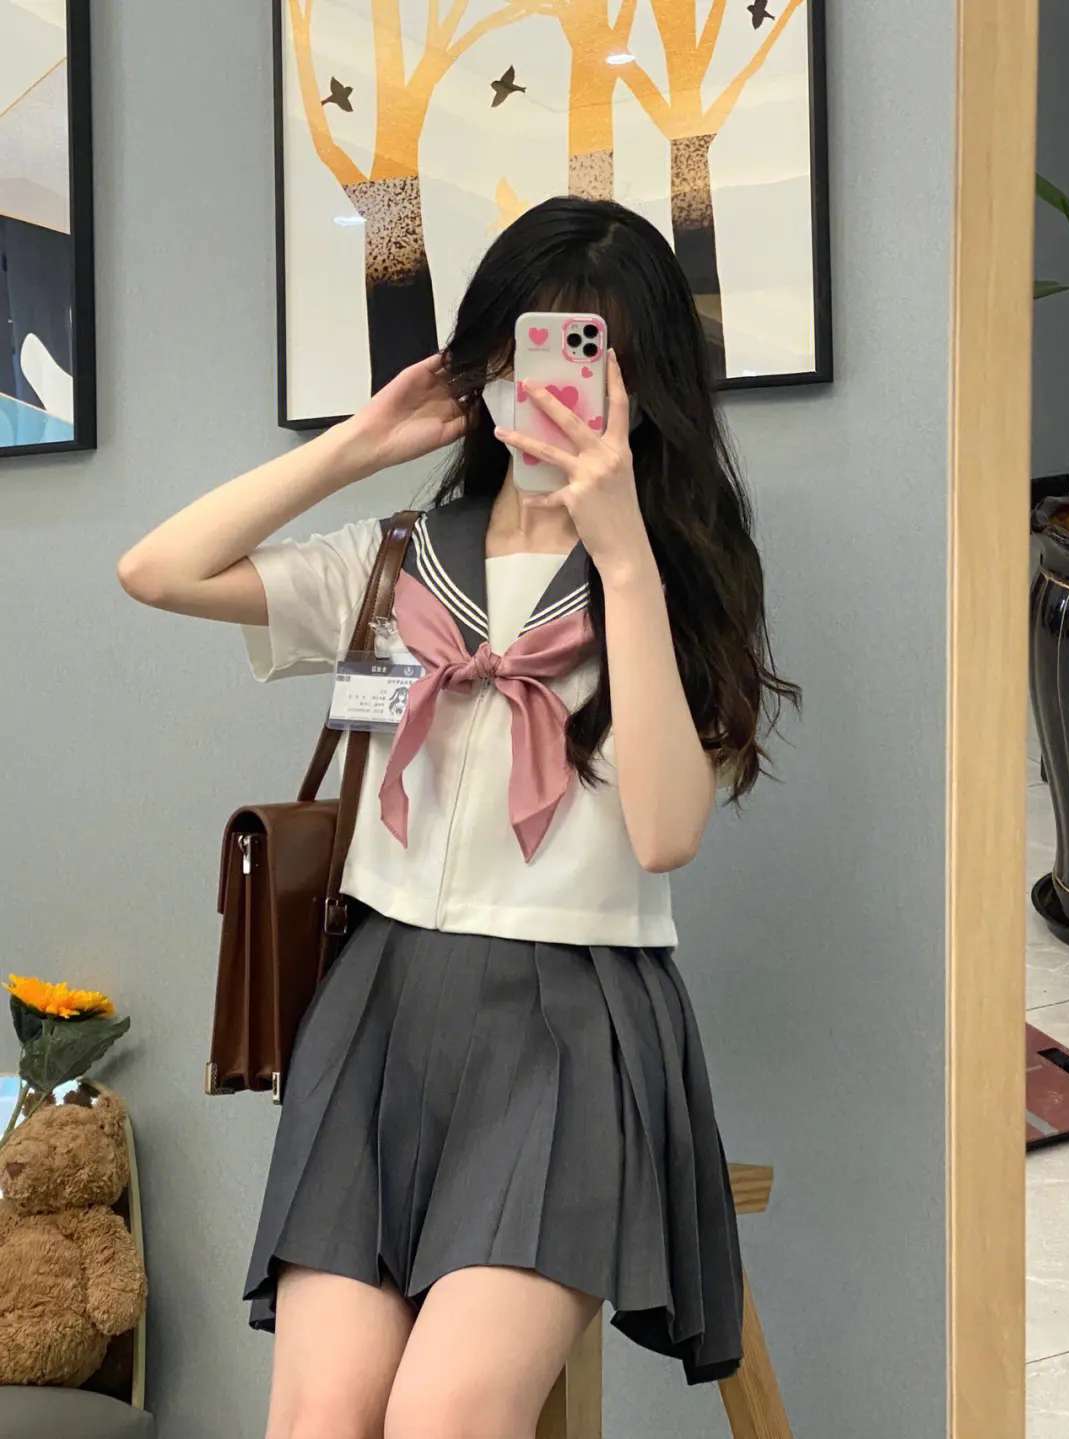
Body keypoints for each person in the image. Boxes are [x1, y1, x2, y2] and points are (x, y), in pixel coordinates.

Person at [117, 196, 801, 1439]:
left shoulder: (674, 581)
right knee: (319, 1417)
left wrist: (623, 553)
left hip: (572, 1022)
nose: (546, 393)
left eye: (588, 360)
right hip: (381, 1005)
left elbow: (666, 834)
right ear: (485, 363)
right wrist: (354, 446)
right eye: (523, 350)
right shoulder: (396, 563)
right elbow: (156, 570)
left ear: (644, 387)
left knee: (443, 1415)